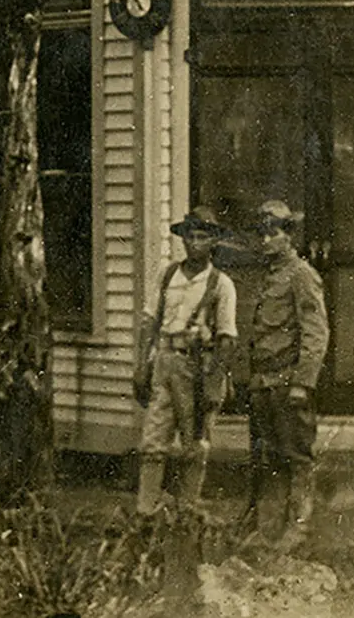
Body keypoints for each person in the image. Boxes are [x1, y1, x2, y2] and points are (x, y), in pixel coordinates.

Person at [136, 206, 238, 515]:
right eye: (190, 236)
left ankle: (186, 510)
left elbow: (227, 338)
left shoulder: (221, 284)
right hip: (165, 360)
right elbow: (150, 321)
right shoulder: (167, 275)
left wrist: (213, 382)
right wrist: (142, 365)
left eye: (203, 237)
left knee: (194, 443)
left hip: (195, 366)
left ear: (213, 242)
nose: (195, 243)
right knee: (153, 440)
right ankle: (146, 510)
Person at [244, 199, 330, 554]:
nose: (266, 241)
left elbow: (315, 333)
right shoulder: (269, 277)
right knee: (269, 457)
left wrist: (302, 383)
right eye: (261, 234)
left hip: (287, 383)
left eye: (273, 233)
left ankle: (299, 528)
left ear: (288, 236)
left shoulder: (301, 275)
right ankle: (268, 529)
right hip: (264, 383)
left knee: (297, 457)